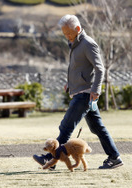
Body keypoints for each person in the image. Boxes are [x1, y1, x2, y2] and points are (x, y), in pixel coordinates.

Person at [33, 14, 123, 169]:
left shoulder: (87, 43)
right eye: (64, 34)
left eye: (69, 33)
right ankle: (114, 157)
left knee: (66, 127)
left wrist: (96, 89)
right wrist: (70, 83)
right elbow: (80, 68)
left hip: (85, 93)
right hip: (80, 91)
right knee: (97, 128)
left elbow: (99, 69)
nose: (67, 36)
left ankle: (50, 159)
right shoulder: (75, 44)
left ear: (78, 29)